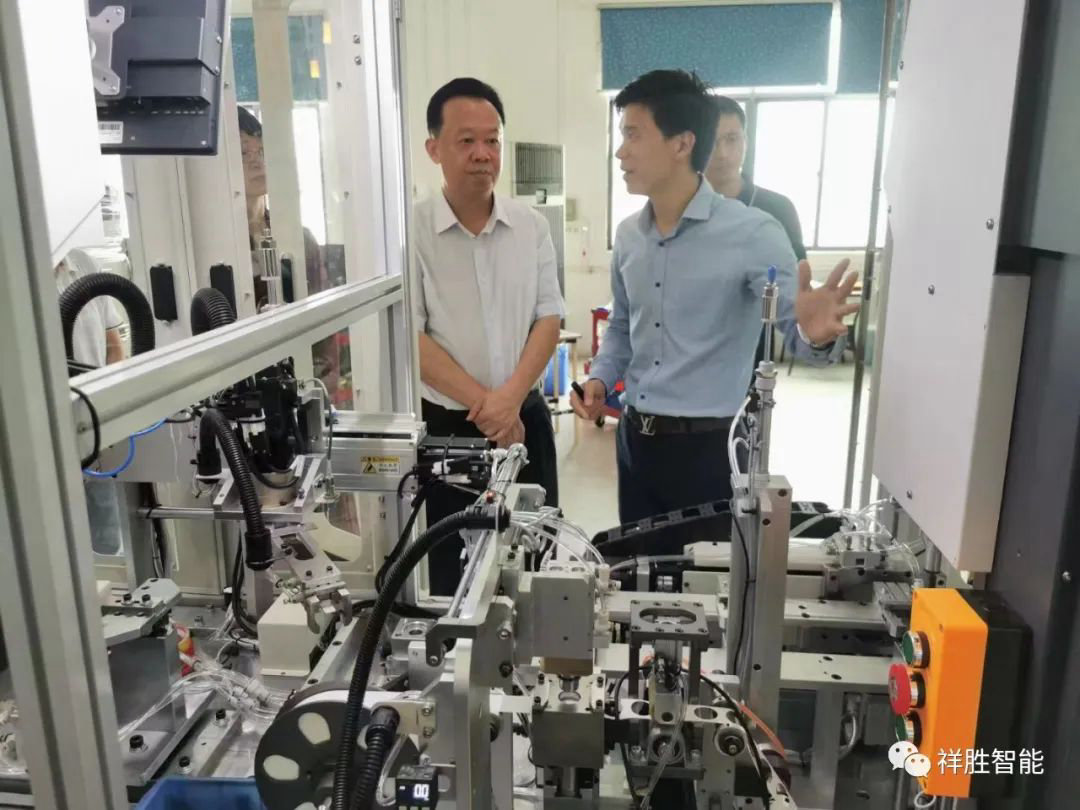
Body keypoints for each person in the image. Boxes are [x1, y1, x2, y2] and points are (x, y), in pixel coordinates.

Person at [571, 70, 857, 525]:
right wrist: (601, 380)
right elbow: (623, 325)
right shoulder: (628, 237)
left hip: (709, 450)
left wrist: (815, 335)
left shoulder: (753, 233)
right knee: (637, 565)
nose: (621, 151)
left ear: (682, 144)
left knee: (708, 568)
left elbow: (801, 338)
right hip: (635, 442)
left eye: (633, 135)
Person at [413, 77, 564, 594]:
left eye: (492, 140)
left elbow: (549, 317)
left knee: (533, 567)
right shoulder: (410, 234)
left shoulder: (531, 227)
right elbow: (412, 340)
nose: (483, 154)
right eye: (466, 140)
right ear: (434, 148)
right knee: (450, 577)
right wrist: (489, 407)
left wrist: (510, 401)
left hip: (525, 423)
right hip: (447, 432)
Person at [704, 96, 806, 260]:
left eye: (732, 139)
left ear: (746, 142)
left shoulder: (779, 208)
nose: (722, 153)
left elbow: (797, 272)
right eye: (710, 141)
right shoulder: (679, 208)